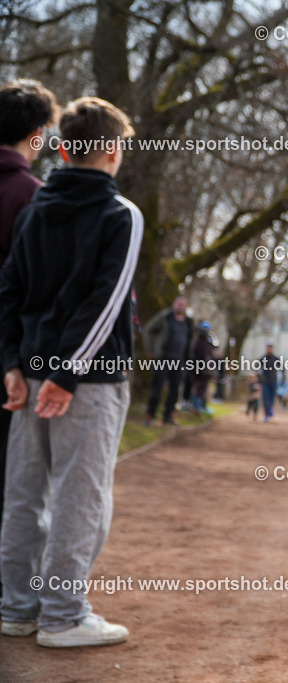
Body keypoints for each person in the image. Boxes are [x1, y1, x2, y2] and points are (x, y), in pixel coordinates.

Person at [0, 96, 138, 647]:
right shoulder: (120, 214)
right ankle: (62, 616)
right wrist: (67, 374)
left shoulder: (35, 209)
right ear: (111, 153)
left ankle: (16, 609)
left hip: (32, 374)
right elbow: (106, 304)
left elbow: (9, 291)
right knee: (81, 496)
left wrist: (13, 364)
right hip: (86, 382)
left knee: (25, 494)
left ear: (61, 149)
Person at [0, 78, 58, 603]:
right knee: (17, 483)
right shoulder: (34, 199)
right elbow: (31, 290)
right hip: (12, 357)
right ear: (37, 136)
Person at [143, 296, 193, 426]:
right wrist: (151, 350)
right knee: (157, 388)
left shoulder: (188, 322)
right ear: (173, 304)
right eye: (178, 303)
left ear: (186, 306)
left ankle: (168, 417)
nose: (181, 306)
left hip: (180, 361)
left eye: (183, 304)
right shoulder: (165, 317)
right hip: (163, 358)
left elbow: (190, 341)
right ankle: (150, 416)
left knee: (175, 390)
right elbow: (148, 330)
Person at [188, 321, 216, 415]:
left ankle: (197, 408)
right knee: (199, 389)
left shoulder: (207, 342)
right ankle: (195, 408)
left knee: (200, 389)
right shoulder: (199, 342)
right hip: (200, 370)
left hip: (202, 370)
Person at [257, 342, 281, 421]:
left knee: (272, 398)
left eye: (271, 347)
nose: (270, 349)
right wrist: (260, 378)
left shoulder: (276, 359)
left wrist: (282, 379)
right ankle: (267, 414)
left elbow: (282, 369)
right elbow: (257, 369)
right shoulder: (263, 358)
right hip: (265, 381)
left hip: (274, 381)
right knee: (265, 398)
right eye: (268, 347)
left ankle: (270, 410)